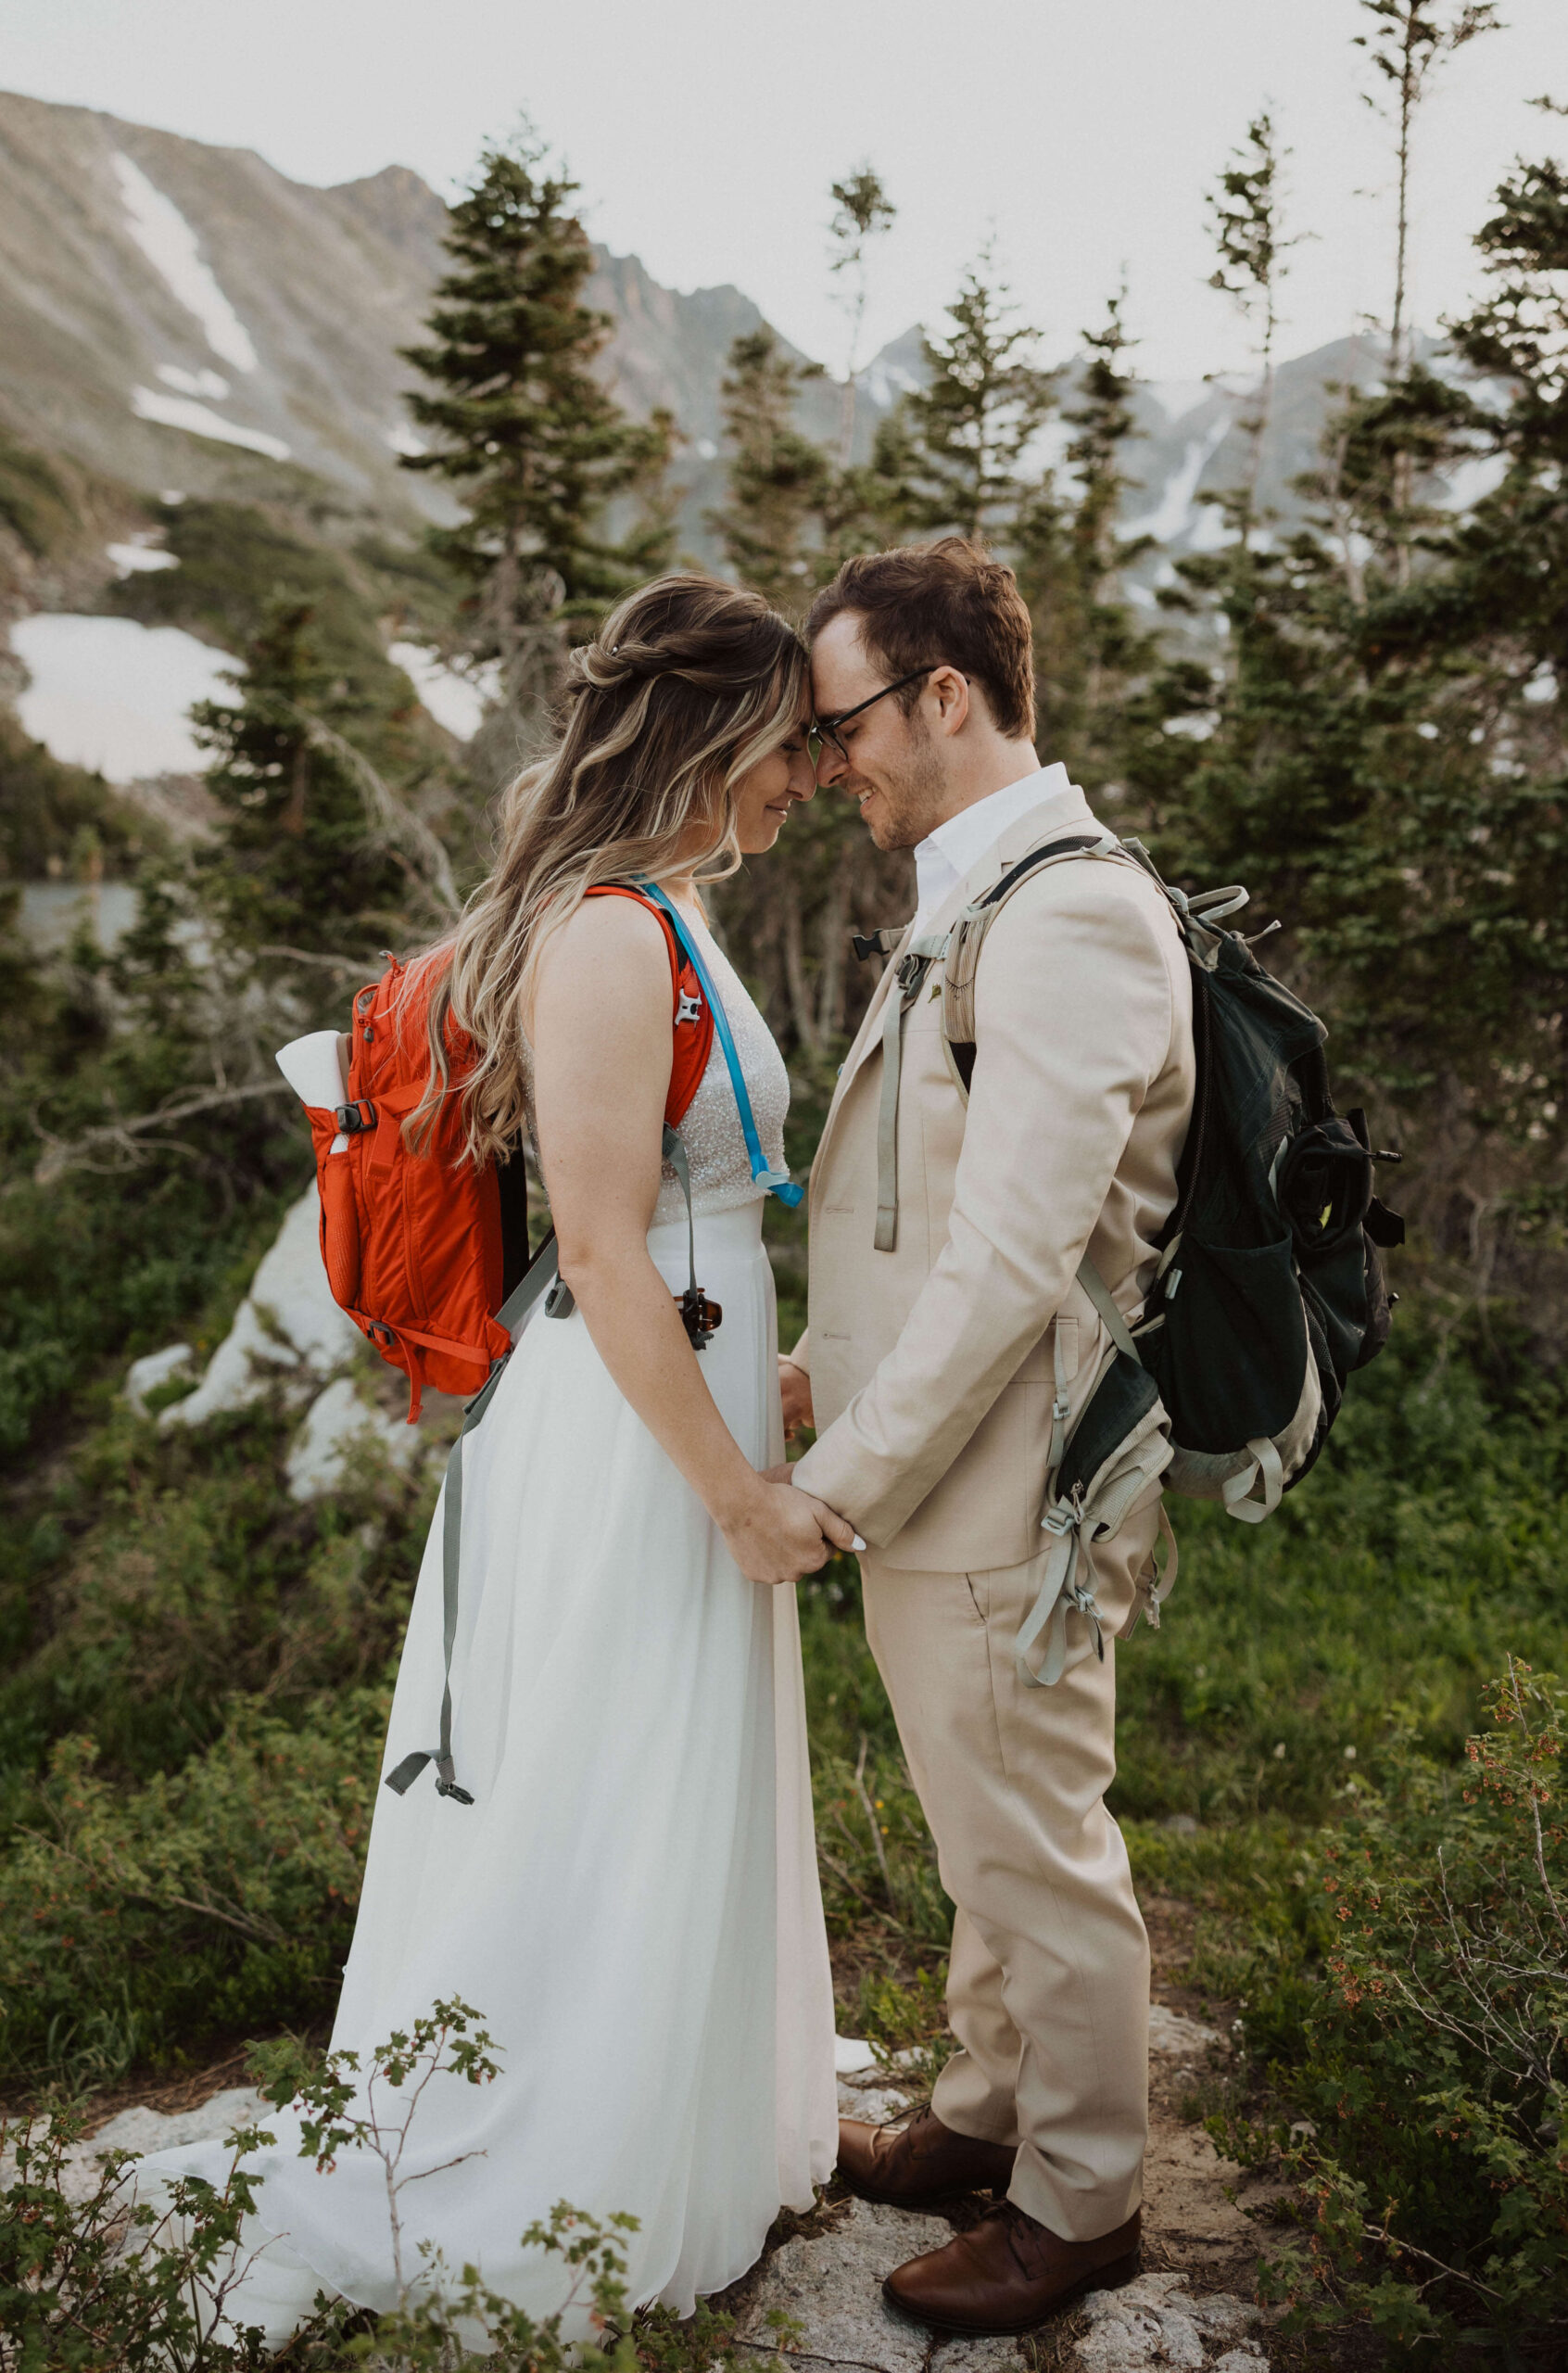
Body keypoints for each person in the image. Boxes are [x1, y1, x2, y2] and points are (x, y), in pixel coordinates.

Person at [136, 576, 846, 2346]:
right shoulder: (609, 933)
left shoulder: (665, 908)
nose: (812, 778)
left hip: (685, 1397)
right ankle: (547, 2153)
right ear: (714, 735)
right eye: (792, 745)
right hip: (630, 1439)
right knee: (604, 1774)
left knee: (657, 1767)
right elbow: (604, 1249)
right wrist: (741, 1490)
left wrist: (789, 1380)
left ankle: (662, 2118)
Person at [777, 538, 1195, 2335]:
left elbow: (1022, 1258)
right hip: (940, 1461)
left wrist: (835, 1478)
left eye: (842, 718)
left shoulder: (1077, 913)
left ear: (947, 696)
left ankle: (1085, 2198)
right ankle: (982, 2109)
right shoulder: (979, 891)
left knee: (1038, 1836)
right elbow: (917, 1207)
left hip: (1011, 1479)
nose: (822, 760)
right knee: (980, 1826)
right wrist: (817, 1364)